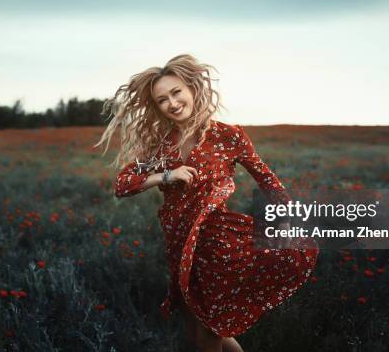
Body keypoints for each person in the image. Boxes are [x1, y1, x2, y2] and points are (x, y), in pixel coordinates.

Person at [94, 54, 319, 352]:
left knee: (208, 333)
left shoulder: (228, 136)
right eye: (162, 100)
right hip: (178, 241)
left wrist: (288, 216)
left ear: (192, 88)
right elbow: (122, 185)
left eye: (176, 92)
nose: (172, 103)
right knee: (199, 327)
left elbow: (267, 179)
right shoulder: (160, 144)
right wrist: (165, 175)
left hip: (215, 241)